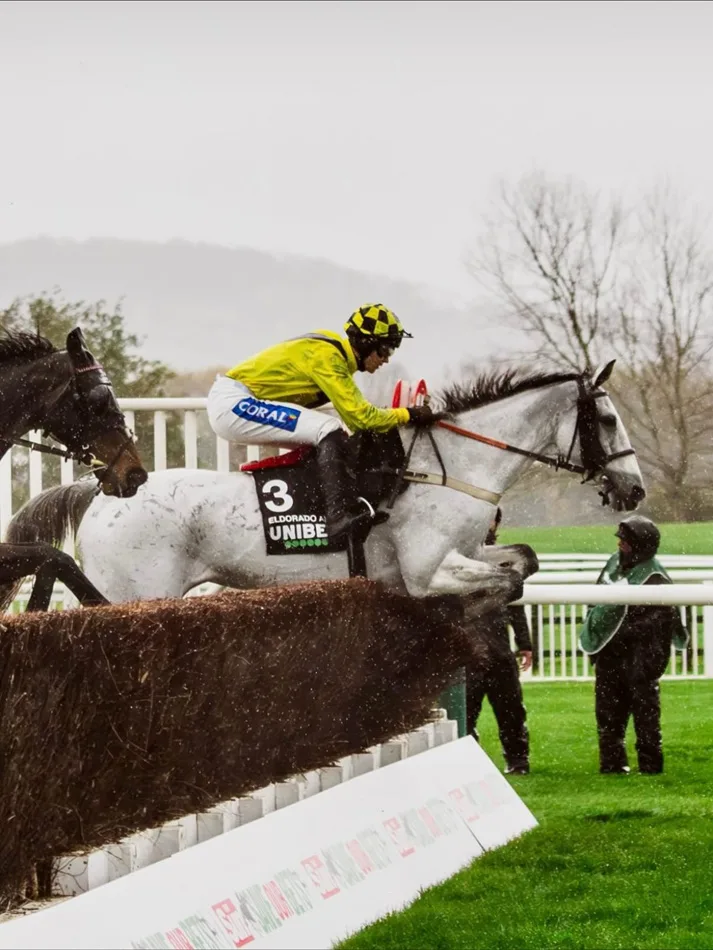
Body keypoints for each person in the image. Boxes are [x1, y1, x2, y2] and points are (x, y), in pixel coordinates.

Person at [206, 304, 440, 540]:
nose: (387, 359)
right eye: (385, 349)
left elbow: (357, 421)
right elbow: (363, 418)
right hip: (233, 403)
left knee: (335, 439)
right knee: (328, 429)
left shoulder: (335, 357)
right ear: (366, 343)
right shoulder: (329, 357)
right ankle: (337, 518)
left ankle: (312, 514)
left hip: (236, 400)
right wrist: (409, 414)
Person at [579, 515, 688, 775]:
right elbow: (596, 598)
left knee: (644, 713)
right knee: (607, 713)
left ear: (640, 545)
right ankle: (612, 765)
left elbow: (657, 624)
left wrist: (631, 649)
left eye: (625, 541)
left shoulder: (655, 576)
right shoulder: (614, 564)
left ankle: (650, 766)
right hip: (611, 653)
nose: (620, 544)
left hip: (642, 657)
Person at [464, 507, 533, 776]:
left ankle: (518, 761)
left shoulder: (504, 560)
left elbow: (515, 605)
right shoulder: (458, 558)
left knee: (511, 710)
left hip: (499, 649)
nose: (489, 523)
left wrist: (525, 643)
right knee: (466, 712)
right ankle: (468, 762)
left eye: (493, 518)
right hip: (469, 650)